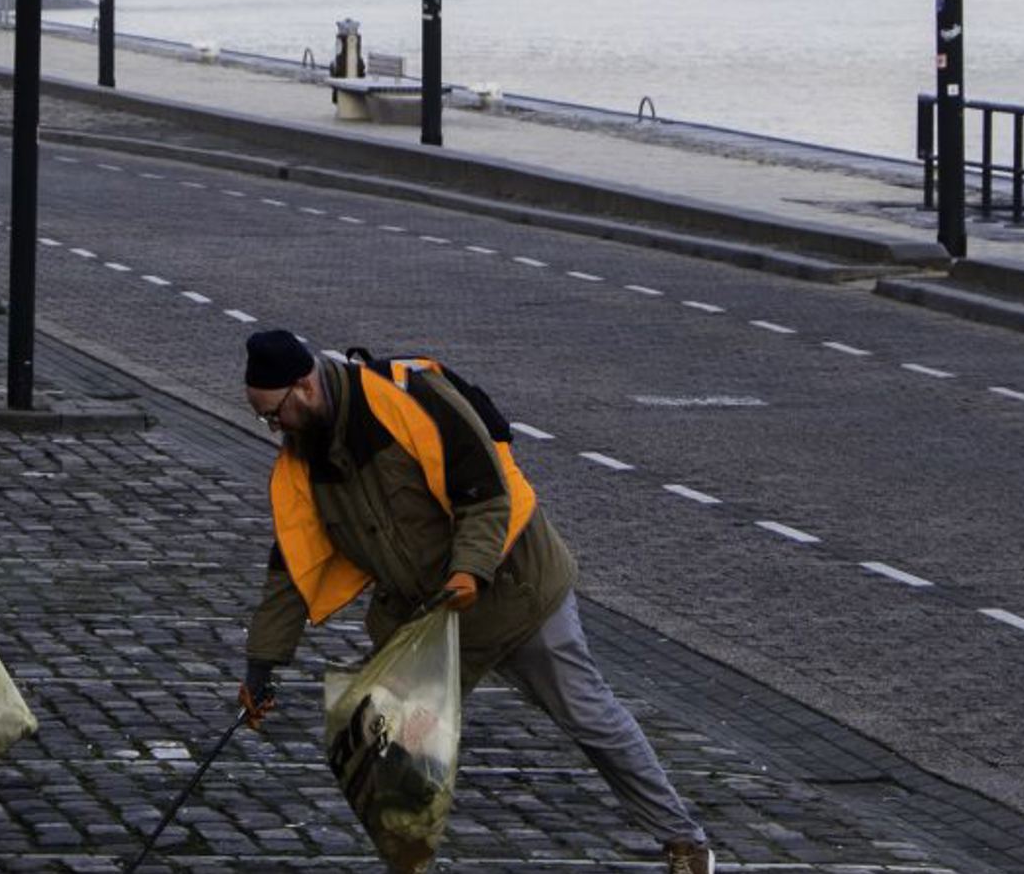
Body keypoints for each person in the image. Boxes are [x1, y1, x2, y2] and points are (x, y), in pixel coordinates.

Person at [235, 329, 715, 874]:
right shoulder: (303, 458)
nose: (275, 428)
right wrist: (261, 667)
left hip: (516, 589)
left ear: (304, 386)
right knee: (383, 744)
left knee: (590, 718)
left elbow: (486, 493)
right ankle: (408, 862)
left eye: (274, 415)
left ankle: (685, 843)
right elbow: (292, 567)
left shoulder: (408, 397)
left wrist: (469, 570)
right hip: (430, 614)